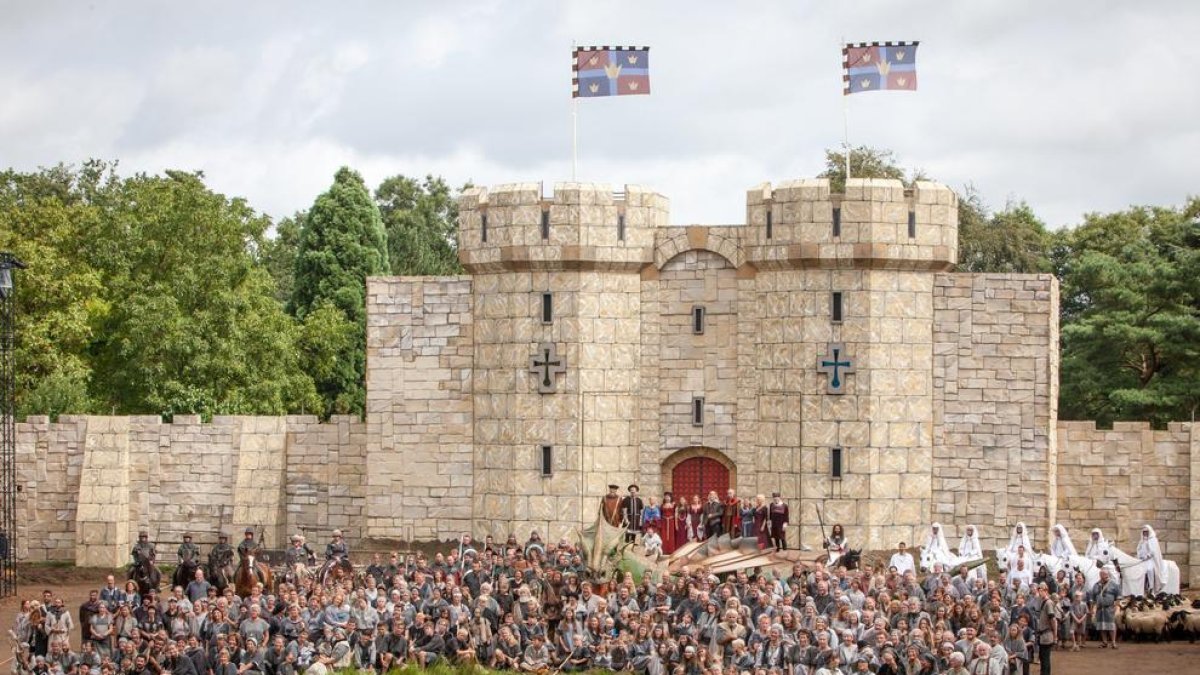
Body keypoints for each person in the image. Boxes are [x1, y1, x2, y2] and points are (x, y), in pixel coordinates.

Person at [1088, 567, 1120, 649]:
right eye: (1102, 574)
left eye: (1105, 574)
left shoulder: (1114, 584)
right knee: (1101, 625)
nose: (1104, 576)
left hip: (1109, 608)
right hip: (1099, 608)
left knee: (1111, 625)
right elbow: (1092, 598)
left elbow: (1118, 597)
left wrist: (1116, 607)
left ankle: (1113, 642)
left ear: (1108, 574)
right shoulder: (1096, 585)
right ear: (1100, 575)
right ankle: (1104, 642)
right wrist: (1092, 608)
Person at [1135, 524, 1166, 594]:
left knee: (1149, 569)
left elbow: (1153, 551)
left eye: (1146, 532)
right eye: (1144, 532)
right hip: (1142, 559)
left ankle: (1151, 586)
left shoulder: (1153, 540)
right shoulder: (1142, 541)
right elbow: (1138, 549)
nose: (1145, 533)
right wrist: (1140, 555)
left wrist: (1147, 556)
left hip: (1151, 559)